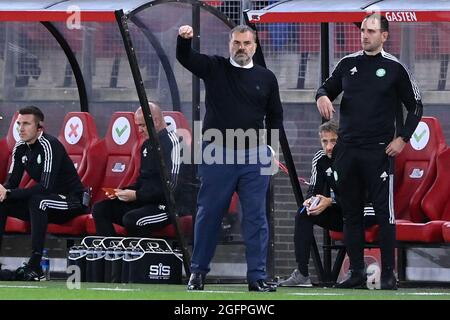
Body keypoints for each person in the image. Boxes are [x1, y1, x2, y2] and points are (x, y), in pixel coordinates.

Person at [315, 13, 423, 290]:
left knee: (384, 214)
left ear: (384, 36)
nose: (365, 35)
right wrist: (322, 96)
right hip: (347, 150)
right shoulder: (347, 63)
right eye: (363, 30)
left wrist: (402, 139)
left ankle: (388, 273)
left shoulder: (395, 68)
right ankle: (357, 273)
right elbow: (326, 86)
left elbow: (416, 106)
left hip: (378, 152)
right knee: (351, 213)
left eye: (372, 31)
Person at [177, 24, 283, 292]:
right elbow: (186, 58)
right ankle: (198, 273)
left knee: (256, 218)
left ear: (255, 47)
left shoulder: (267, 77)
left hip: (254, 155)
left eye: (247, 43)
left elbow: (275, 116)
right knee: (208, 214)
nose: (242, 48)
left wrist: (271, 149)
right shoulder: (215, 68)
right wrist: (183, 40)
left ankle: (257, 277)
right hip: (217, 152)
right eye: (237, 43)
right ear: (229, 45)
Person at [278, 120, 376, 287]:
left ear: (341, 140)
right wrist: (311, 201)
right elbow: (314, 189)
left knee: (351, 216)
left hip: (365, 209)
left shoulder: (352, 156)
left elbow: (361, 197)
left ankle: (356, 271)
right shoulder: (320, 157)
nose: (329, 147)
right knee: (303, 214)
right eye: (325, 141)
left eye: (333, 141)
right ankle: (302, 274)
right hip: (340, 209)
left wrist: (330, 201)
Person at [0, 106, 87, 281]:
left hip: (71, 202)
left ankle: (35, 266)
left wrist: (8, 192)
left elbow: (45, 187)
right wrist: (3, 192)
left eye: (26, 124)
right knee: (3, 202)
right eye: (19, 123)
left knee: (39, 200)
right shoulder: (20, 148)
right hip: (45, 203)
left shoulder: (49, 145)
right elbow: (12, 183)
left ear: (39, 127)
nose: (21, 128)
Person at [92, 103, 181, 236]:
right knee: (100, 209)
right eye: (138, 125)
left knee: (133, 219)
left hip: (168, 207)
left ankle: (144, 256)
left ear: (155, 121)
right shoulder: (147, 145)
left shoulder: (174, 143)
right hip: (145, 202)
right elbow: (142, 180)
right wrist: (123, 192)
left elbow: (172, 187)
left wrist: (137, 195)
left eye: (142, 125)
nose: (139, 130)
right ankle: (112, 252)